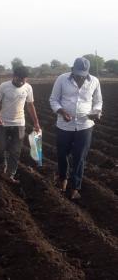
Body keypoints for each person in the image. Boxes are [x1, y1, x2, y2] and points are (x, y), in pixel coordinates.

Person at [49, 57, 102, 199]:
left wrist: (96, 112)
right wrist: (61, 111)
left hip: (85, 125)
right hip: (64, 125)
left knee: (79, 157)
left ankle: (75, 187)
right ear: (72, 69)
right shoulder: (61, 79)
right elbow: (53, 99)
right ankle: (62, 179)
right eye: (77, 74)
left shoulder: (94, 81)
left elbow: (98, 102)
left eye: (82, 75)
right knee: (62, 154)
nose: (80, 77)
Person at [0, 66, 40, 183]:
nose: (21, 81)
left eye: (24, 79)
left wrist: (36, 122)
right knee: (0, 148)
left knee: (15, 151)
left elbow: (30, 105)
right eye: (19, 79)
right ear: (14, 76)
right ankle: (1, 167)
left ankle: (10, 175)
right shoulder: (4, 86)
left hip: (19, 123)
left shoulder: (28, 88)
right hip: (3, 123)